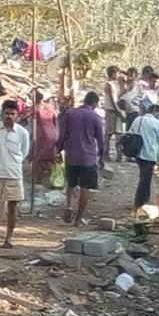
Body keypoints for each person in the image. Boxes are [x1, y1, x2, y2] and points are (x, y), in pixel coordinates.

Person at [0, 100, 30, 249]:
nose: (9, 116)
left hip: (14, 173)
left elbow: (25, 151)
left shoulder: (22, 133)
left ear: (17, 116)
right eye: (7, 113)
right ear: (2, 115)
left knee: (13, 207)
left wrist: (14, 163)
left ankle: (8, 239)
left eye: (12, 114)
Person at [60, 91, 105, 226]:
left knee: (70, 183)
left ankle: (68, 205)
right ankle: (78, 219)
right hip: (88, 157)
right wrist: (101, 157)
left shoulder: (70, 113)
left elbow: (62, 134)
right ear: (95, 103)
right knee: (85, 187)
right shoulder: (96, 118)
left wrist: (58, 150)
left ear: (84, 100)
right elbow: (101, 140)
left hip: (71, 155)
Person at [129, 105, 159, 214]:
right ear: (156, 111)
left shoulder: (137, 119)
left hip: (137, 153)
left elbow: (130, 132)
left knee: (143, 177)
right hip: (150, 154)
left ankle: (144, 200)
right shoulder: (157, 123)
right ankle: (139, 203)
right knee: (145, 180)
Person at [31, 91, 59, 185]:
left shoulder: (35, 108)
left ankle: (37, 178)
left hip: (41, 134)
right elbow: (55, 121)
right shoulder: (51, 108)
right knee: (52, 156)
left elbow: (26, 116)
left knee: (38, 155)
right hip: (53, 133)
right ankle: (53, 177)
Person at [102, 65, 125, 165]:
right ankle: (106, 154)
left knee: (118, 133)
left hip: (115, 110)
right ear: (113, 74)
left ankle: (119, 155)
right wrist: (119, 112)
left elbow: (116, 98)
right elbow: (113, 101)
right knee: (109, 133)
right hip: (111, 110)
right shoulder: (109, 85)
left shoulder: (114, 84)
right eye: (117, 73)